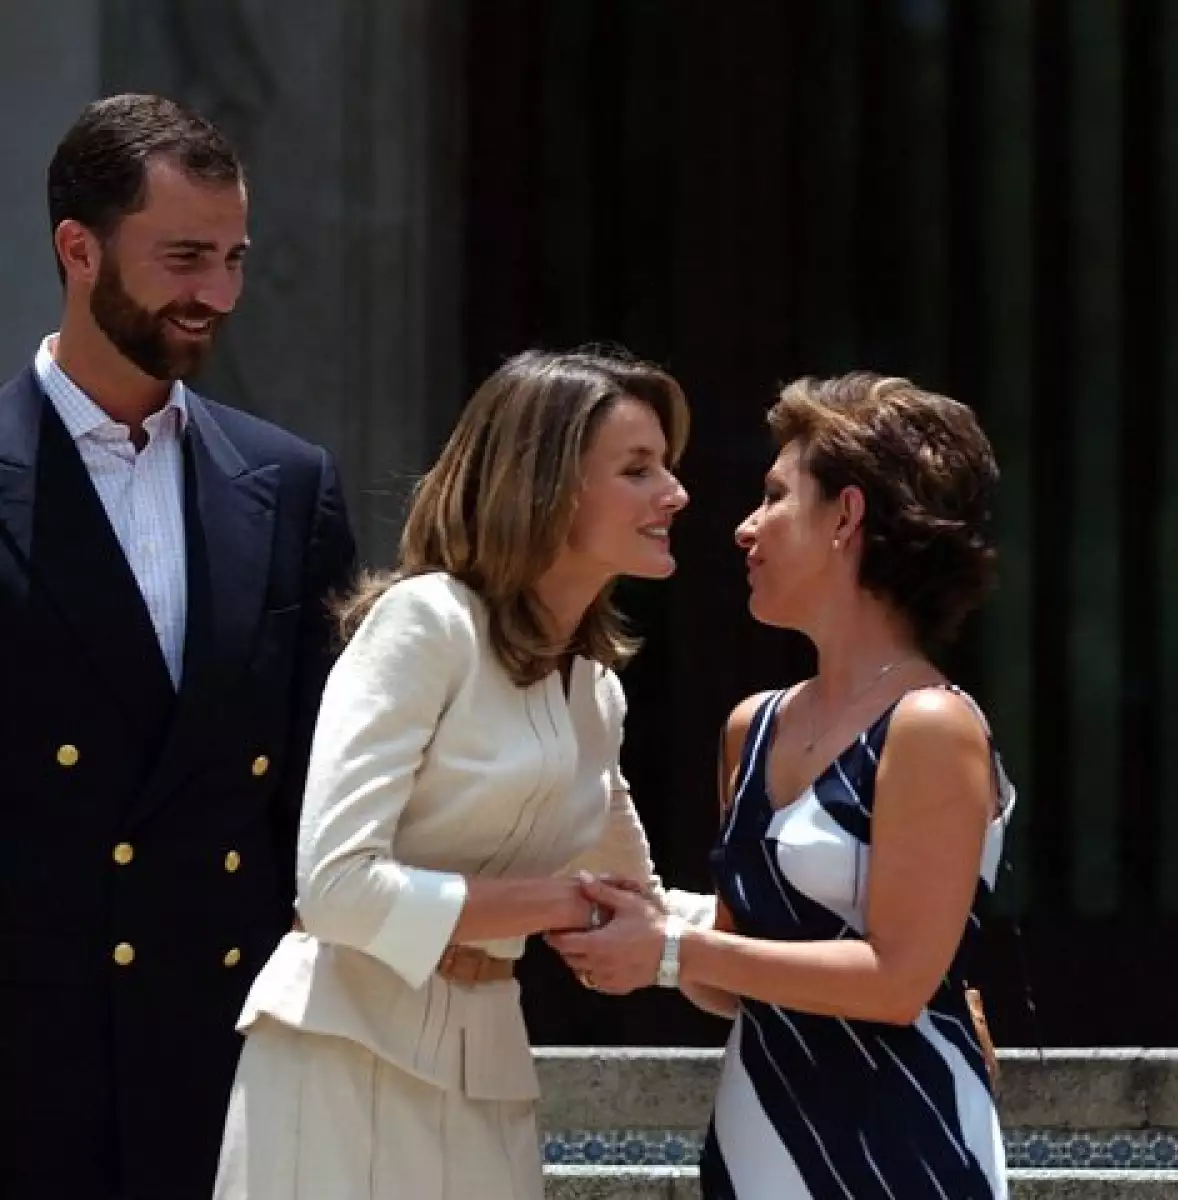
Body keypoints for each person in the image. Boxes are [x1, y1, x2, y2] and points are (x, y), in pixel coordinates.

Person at [213, 347, 714, 1200]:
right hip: (339, 1055)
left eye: (666, 466)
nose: (675, 493)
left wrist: (841, 946)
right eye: (638, 469)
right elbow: (335, 888)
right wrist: (558, 902)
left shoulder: (595, 692)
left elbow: (644, 907)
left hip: (487, 1071)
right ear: (547, 484)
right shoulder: (426, 623)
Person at [0, 93, 358, 1198]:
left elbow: (321, 784)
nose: (217, 294)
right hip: (24, 1065)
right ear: (78, 249)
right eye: (185, 257)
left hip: (224, 1056)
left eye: (235, 258)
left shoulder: (291, 485)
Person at [551, 371, 1014, 1199]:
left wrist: (668, 947)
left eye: (774, 495)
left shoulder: (932, 726)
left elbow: (899, 981)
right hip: (757, 1134)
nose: (743, 527)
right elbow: (736, 973)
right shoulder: (750, 727)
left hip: (901, 1147)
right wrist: (631, 926)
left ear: (847, 516)